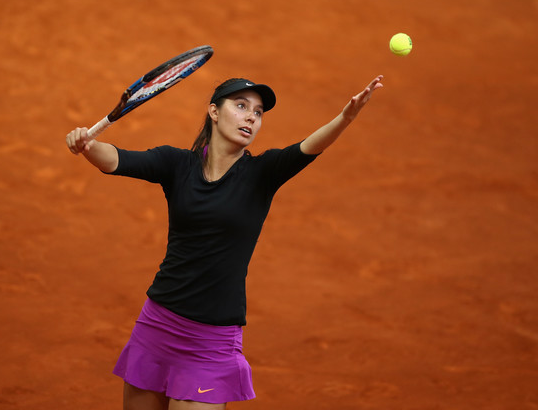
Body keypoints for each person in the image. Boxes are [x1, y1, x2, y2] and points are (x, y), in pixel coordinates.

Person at [66, 75, 383, 410]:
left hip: (210, 342)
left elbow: (309, 147)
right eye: (241, 106)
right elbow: (116, 160)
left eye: (258, 113)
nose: (251, 117)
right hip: (157, 326)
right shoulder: (177, 164)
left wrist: (345, 118)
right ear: (214, 112)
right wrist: (86, 144)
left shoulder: (263, 174)